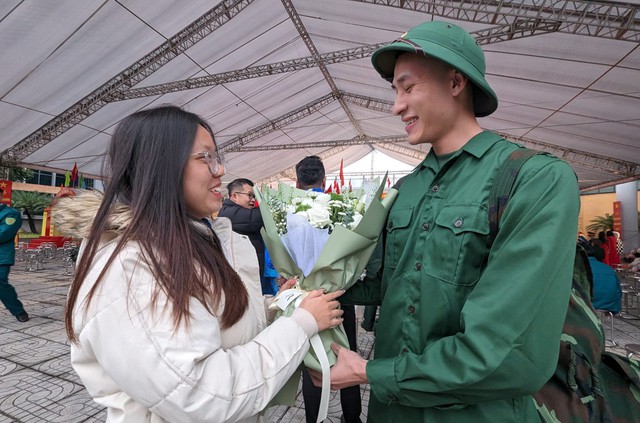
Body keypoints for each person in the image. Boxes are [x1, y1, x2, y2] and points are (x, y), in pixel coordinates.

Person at [323, 21, 580, 422]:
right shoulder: (406, 189)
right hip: (392, 413)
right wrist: (317, 287)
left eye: (408, 88)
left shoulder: (535, 179)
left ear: (456, 83)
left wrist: (370, 371)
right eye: (395, 91)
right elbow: (390, 285)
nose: (396, 106)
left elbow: (508, 351)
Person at [52, 105, 345, 422]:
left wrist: (276, 307)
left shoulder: (188, 238)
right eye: (205, 158)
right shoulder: (128, 266)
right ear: (160, 165)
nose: (219, 170)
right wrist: (300, 325)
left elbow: (211, 320)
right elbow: (202, 396)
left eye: (217, 158)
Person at [295, 155, 362, 423]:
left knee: (312, 360)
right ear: (325, 179)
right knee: (348, 353)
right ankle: (352, 417)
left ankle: (314, 418)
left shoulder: (291, 210)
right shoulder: (342, 209)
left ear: (297, 181)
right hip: (340, 297)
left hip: (308, 300)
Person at [218, 178, 272, 294]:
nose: (253, 200)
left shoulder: (238, 211)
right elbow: (257, 218)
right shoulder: (229, 213)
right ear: (234, 196)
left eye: (254, 196)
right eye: (250, 195)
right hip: (243, 278)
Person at [0, 188, 29, 322]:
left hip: (2, 257)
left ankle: (18, 310)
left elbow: (4, 234)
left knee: (0, 283)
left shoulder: (11, 214)